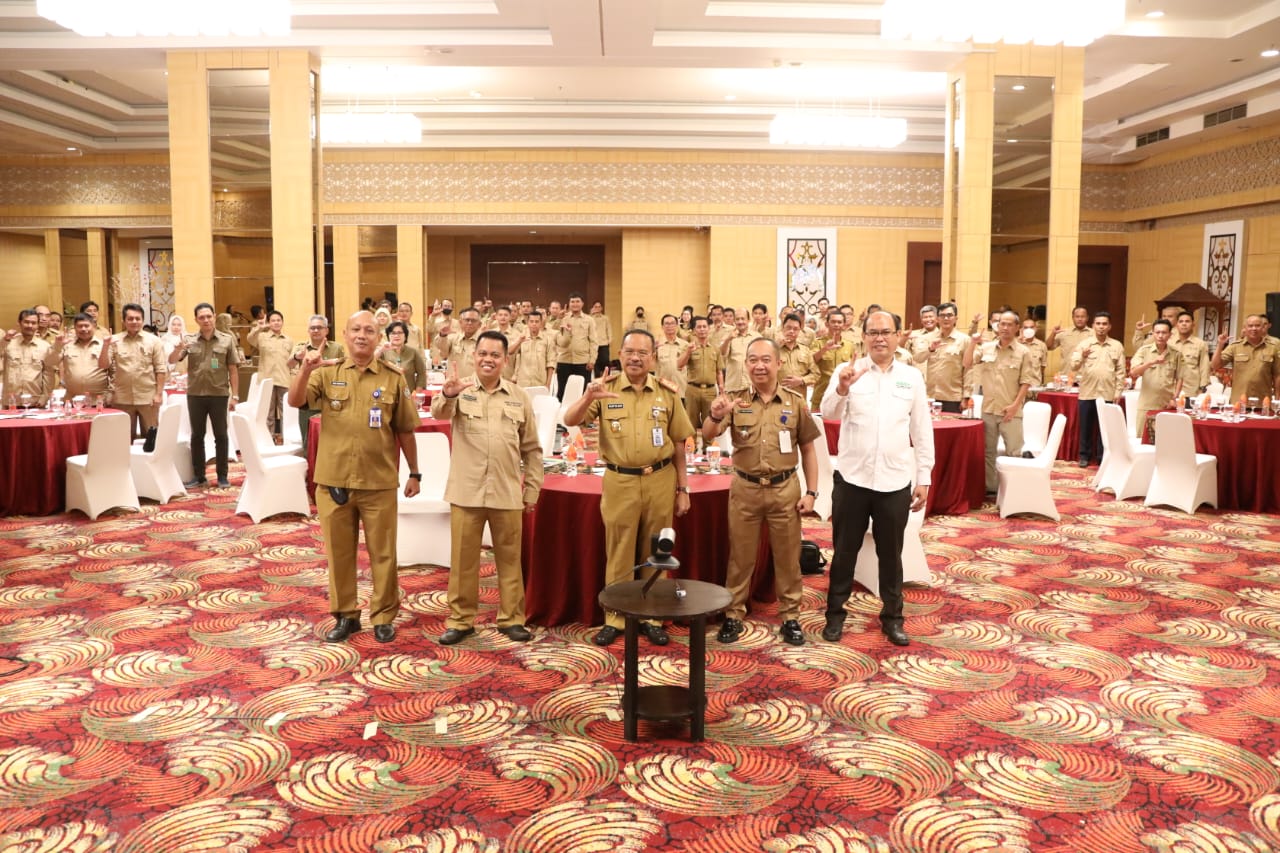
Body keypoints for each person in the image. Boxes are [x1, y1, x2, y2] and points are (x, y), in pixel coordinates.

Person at [290, 310, 421, 644]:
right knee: (339, 553)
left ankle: (383, 616)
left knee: (384, 553)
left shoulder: (393, 377)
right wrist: (305, 369)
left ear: (378, 338)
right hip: (335, 481)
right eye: (356, 330)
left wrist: (415, 472)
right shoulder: (325, 373)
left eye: (370, 330)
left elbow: (405, 430)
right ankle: (346, 615)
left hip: (378, 481)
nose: (362, 335)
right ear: (344, 336)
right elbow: (296, 400)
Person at [564, 330, 693, 647]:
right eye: (629, 351)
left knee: (657, 553)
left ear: (653, 357)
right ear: (620, 354)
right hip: (620, 480)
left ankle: (651, 616)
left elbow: (679, 443)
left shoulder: (666, 393)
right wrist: (587, 398)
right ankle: (616, 616)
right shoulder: (604, 390)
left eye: (642, 353)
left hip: (660, 480)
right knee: (619, 551)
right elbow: (570, 419)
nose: (635, 358)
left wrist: (683, 488)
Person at [820, 311, 932, 647]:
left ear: (899, 336)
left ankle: (893, 618)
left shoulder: (911, 377)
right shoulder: (850, 373)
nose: (879, 338)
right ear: (864, 337)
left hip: (894, 482)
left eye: (886, 332)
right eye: (873, 333)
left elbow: (922, 432)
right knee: (844, 554)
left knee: (891, 555)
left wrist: (923, 477)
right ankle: (835, 615)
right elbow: (827, 413)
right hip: (852, 480)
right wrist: (841, 387)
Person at [704, 337, 820, 646]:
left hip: (785, 489)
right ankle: (733, 614)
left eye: (766, 359)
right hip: (745, 488)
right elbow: (707, 435)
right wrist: (715, 415)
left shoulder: (795, 402)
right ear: (746, 365)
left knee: (788, 556)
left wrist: (812, 492)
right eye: (753, 359)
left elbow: (808, 450)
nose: (759, 365)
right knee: (740, 557)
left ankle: (791, 616)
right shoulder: (735, 400)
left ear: (779, 363)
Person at [431, 331, 543, 645]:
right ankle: (461, 620)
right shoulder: (460, 390)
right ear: (473, 356)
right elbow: (439, 412)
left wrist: (531, 490)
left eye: (495, 355)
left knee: (510, 560)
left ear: (505, 360)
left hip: (507, 491)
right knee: (464, 561)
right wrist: (448, 394)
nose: (488, 359)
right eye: (482, 354)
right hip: (467, 491)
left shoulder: (518, 396)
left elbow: (532, 449)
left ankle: (511, 618)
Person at [169, 302, 241, 488]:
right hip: (195, 395)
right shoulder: (190, 340)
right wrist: (178, 348)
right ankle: (199, 475)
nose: (206, 320)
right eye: (202, 317)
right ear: (196, 320)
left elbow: (233, 369)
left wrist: (235, 396)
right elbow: (172, 360)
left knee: (221, 436)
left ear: (214, 316)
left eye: (209, 316)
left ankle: (222, 476)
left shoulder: (226, 340)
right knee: (197, 436)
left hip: (219, 394)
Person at [966, 310, 1037, 491]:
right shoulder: (986, 348)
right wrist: (973, 343)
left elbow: (1026, 381)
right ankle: (991, 488)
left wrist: (1015, 406)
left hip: (1010, 411)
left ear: (1017, 328)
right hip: (989, 410)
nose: (1004, 328)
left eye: (1009, 324)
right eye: (1001, 324)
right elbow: (967, 363)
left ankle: (1012, 490)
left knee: (1013, 452)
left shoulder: (1023, 352)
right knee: (988, 452)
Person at [100, 303, 167, 439]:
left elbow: (160, 369)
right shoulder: (114, 340)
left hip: (148, 398)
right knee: (122, 440)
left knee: (151, 439)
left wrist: (159, 394)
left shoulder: (154, 341)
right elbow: (103, 365)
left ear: (142, 320)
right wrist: (106, 346)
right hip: (121, 398)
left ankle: (149, 461)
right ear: (124, 321)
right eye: (130, 319)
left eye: (138, 318)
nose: (134, 322)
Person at [1069, 312, 1126, 468]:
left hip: (1108, 392)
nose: (1101, 327)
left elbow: (1121, 371)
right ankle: (1084, 456)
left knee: (1105, 429)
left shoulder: (1116, 345)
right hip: (1088, 392)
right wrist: (1082, 355)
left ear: (1109, 326)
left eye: (1104, 324)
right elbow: (1074, 366)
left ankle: (1103, 457)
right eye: (1098, 324)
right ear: (1093, 325)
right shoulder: (1084, 344)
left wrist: (1118, 392)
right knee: (1086, 427)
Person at [291, 314, 345, 453]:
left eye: (319, 328)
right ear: (308, 331)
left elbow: (345, 367)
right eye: (312, 328)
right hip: (308, 401)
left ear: (326, 330)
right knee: (308, 444)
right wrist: (298, 357)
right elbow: (288, 365)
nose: (315, 331)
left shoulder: (336, 348)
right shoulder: (301, 347)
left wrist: (328, 362)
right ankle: (310, 473)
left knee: (333, 443)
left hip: (332, 400)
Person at [911, 301, 969, 413]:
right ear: (937, 319)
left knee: (951, 429)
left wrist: (966, 396)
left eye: (949, 315)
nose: (946, 318)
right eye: (942, 315)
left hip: (952, 396)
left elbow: (968, 369)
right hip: (930, 395)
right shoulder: (927, 338)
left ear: (956, 318)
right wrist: (930, 349)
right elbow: (918, 358)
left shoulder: (964, 340)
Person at [247, 309, 294, 444]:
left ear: (282, 322)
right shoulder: (262, 337)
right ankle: (269, 439)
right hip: (267, 380)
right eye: (273, 320)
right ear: (269, 322)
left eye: (278, 320)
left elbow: (293, 361)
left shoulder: (289, 340)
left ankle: (287, 439)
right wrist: (258, 328)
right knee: (268, 414)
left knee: (286, 412)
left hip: (284, 379)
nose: (276, 323)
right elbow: (250, 339)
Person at [1130, 318, 1183, 436]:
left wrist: (1175, 397)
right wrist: (1151, 363)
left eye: (1164, 333)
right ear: (1153, 333)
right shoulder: (1144, 351)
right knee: (1143, 440)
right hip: (1147, 405)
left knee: (1165, 441)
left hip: (1167, 406)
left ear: (1170, 334)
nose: (1160, 336)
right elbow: (1133, 372)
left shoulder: (1176, 353)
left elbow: (1180, 377)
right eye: (1157, 332)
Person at [1212, 313, 1280, 403]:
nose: (1254, 329)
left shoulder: (1272, 348)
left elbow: (1277, 375)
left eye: (1257, 326)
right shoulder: (1235, 347)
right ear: (1245, 328)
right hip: (1238, 401)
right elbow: (1215, 366)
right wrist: (1220, 344)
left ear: (1263, 328)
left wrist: (1277, 397)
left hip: (1263, 402)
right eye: (1250, 326)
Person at [2, 309, 63, 406]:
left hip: (35, 402)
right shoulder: (8, 344)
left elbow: (48, 374)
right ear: (19, 323)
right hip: (11, 401)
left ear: (38, 325)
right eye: (26, 322)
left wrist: (44, 397)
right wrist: (4, 340)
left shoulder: (44, 346)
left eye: (33, 323)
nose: (30, 326)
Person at [554, 292, 598, 400]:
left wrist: (592, 360)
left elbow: (593, 341)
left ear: (582, 303)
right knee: (562, 391)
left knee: (583, 391)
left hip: (582, 361)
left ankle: (583, 416)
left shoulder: (589, 320)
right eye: (572, 302)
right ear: (569, 304)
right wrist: (559, 318)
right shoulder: (563, 318)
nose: (575, 304)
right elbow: (552, 333)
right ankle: (561, 415)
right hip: (564, 359)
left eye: (577, 301)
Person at [683, 315, 723, 431]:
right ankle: (691, 448)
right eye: (699, 327)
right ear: (694, 331)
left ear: (708, 329)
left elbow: (719, 371)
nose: (702, 329)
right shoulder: (689, 347)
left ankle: (708, 447)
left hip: (710, 391)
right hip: (692, 390)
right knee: (691, 422)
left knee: (710, 420)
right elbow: (679, 365)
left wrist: (721, 388)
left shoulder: (715, 349)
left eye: (704, 326)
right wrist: (687, 353)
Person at [59, 312, 109, 400]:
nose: (83, 329)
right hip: (72, 399)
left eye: (86, 326)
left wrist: (111, 393)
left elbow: (113, 371)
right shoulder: (67, 345)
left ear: (94, 326)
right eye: (80, 326)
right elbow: (51, 362)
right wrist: (57, 346)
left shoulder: (103, 345)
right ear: (75, 328)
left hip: (98, 400)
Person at [811, 309, 855, 410]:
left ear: (844, 325)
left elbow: (854, 368)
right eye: (833, 322)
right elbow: (812, 361)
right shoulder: (818, 343)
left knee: (841, 425)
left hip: (843, 395)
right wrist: (825, 349)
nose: (836, 324)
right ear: (827, 324)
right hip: (821, 394)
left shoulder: (850, 345)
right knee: (818, 425)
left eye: (839, 322)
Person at [431, 306, 483, 377]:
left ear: (479, 324)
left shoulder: (485, 342)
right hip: (454, 384)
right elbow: (443, 352)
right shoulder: (452, 338)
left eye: (473, 320)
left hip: (475, 385)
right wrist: (443, 335)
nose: (470, 323)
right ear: (461, 322)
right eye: (467, 320)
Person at [776, 312, 818, 396]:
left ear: (799, 331)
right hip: (778, 398)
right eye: (788, 327)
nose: (791, 331)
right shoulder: (773, 349)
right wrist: (775, 347)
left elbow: (816, 374)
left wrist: (802, 380)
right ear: (783, 328)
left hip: (799, 398)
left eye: (795, 329)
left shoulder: (805, 350)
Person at [510, 310, 555, 388]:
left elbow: (550, 363)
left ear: (541, 323)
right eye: (531, 321)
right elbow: (509, 352)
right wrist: (519, 341)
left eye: (537, 321)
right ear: (528, 323)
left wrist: (548, 384)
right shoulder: (521, 337)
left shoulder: (548, 340)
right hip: (522, 382)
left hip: (540, 383)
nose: (534, 324)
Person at [720, 306, 759, 394]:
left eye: (743, 319)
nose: (740, 322)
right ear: (734, 321)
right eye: (737, 319)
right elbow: (722, 354)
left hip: (752, 386)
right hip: (733, 386)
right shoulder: (728, 335)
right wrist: (728, 339)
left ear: (748, 320)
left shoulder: (757, 337)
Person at [379, 320, 428, 391]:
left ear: (405, 336)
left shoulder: (413, 352)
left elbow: (422, 373)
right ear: (388, 336)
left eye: (400, 333)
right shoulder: (383, 352)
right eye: (393, 333)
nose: (396, 336)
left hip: (409, 394)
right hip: (388, 394)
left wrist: (417, 392)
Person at [1170, 310, 1210, 394]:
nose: (1184, 324)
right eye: (1181, 321)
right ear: (1177, 325)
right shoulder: (1169, 343)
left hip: (1191, 390)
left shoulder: (1200, 344)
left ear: (1193, 325)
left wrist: (1202, 388)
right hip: (1170, 389)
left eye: (1187, 321)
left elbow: (1204, 367)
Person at [1047, 306, 1092, 378]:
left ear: (1087, 318)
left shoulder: (1094, 334)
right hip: (1066, 376)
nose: (1080, 319)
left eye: (1083, 317)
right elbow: (1048, 347)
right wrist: (1053, 333)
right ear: (1073, 318)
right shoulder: (1064, 333)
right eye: (1077, 316)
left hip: (1087, 377)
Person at [655, 313, 691, 396]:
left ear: (677, 326)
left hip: (681, 390)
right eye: (666, 323)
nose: (669, 326)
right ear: (662, 327)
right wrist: (652, 350)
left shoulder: (685, 345)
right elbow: (650, 365)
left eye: (672, 323)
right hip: (662, 389)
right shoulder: (657, 345)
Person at [1019, 317, 1049, 385]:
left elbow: (1042, 367)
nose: (1029, 330)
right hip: (1018, 386)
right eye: (1026, 328)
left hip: (1034, 385)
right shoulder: (1016, 344)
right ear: (1022, 329)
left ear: (1035, 329)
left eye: (1031, 327)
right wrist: (1019, 341)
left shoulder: (1042, 345)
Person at [590, 301, 612, 375]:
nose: (597, 308)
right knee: (596, 362)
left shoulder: (605, 318)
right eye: (596, 307)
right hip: (594, 343)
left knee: (605, 360)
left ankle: (607, 377)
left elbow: (608, 329)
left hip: (604, 342)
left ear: (601, 308)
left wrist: (610, 339)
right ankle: (597, 378)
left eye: (599, 307)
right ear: (593, 308)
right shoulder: (590, 318)